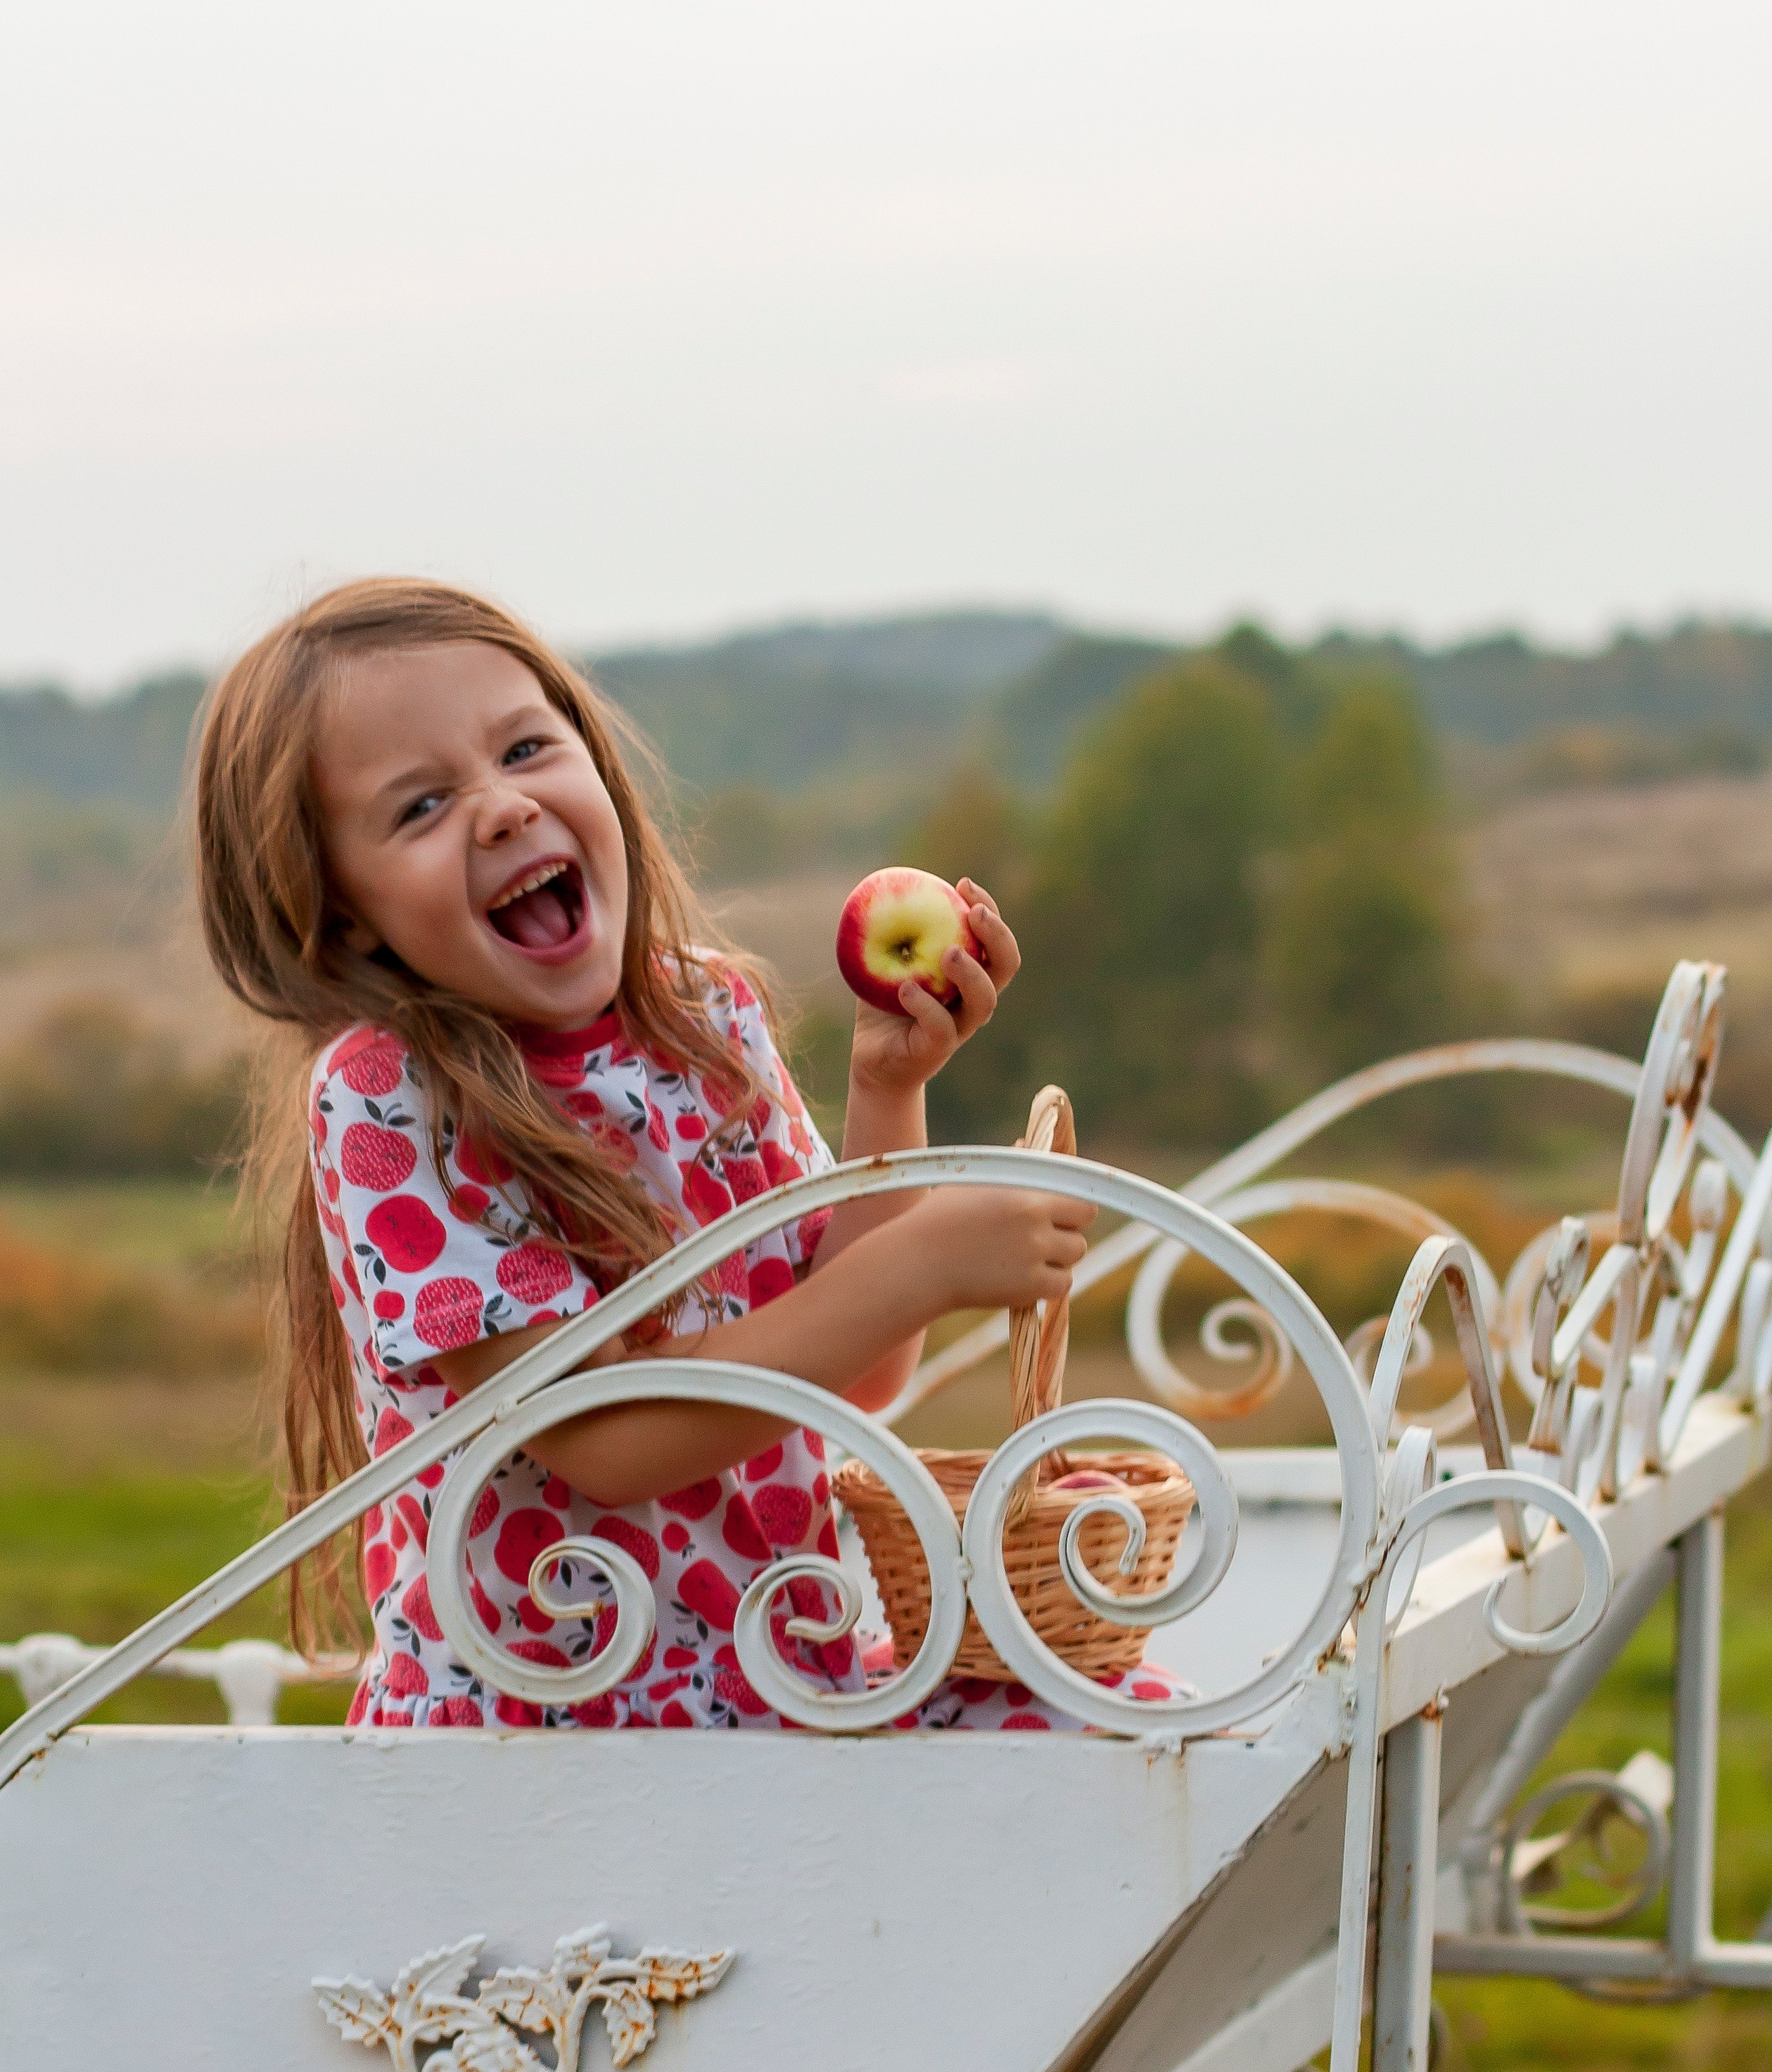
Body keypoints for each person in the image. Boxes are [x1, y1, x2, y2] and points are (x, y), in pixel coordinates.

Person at [194, 577, 1159, 1732]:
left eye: (527, 748)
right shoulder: (390, 1101)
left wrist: (885, 1094)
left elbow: (856, 1374)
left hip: (779, 1669)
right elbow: (608, 1441)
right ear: (341, 914)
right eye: (419, 808)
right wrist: (925, 1268)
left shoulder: (701, 1015)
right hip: (554, 1734)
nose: (502, 808)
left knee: (1136, 1720)